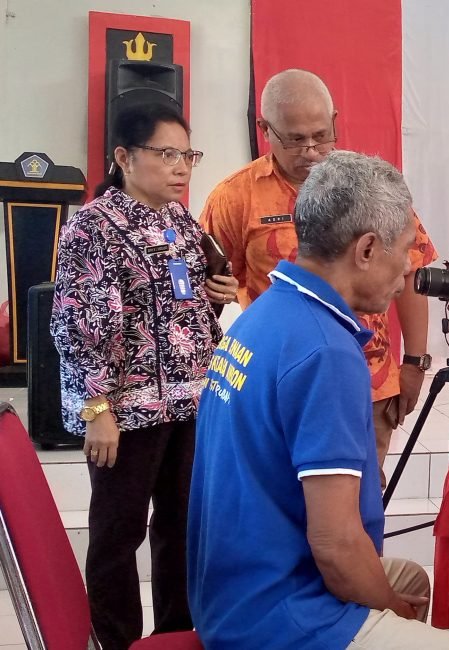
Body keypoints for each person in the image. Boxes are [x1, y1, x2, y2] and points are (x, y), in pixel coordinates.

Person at [188, 152, 449, 649]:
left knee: (413, 581)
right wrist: (392, 611)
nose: (409, 269)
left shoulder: (267, 311)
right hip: (277, 617)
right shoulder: (326, 351)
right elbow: (335, 547)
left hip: (229, 591)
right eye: (405, 251)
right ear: (366, 249)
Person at [50, 103, 238, 650]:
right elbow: (78, 323)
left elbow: (182, 312)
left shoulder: (180, 221)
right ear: (124, 157)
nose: (182, 167)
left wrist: (217, 296)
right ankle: (114, 641)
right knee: (118, 533)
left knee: (181, 526)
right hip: (125, 412)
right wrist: (97, 409)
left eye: (188, 155)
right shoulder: (93, 227)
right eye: (167, 154)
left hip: (188, 403)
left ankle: (175, 635)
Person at [200, 69, 436, 487]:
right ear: (265, 130)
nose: (311, 151)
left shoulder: (371, 190)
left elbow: (411, 269)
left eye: (321, 136)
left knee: (362, 498)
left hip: (368, 379)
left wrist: (415, 362)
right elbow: (210, 283)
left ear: (335, 121)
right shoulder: (236, 197)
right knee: (288, 499)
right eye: (295, 140)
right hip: (280, 381)